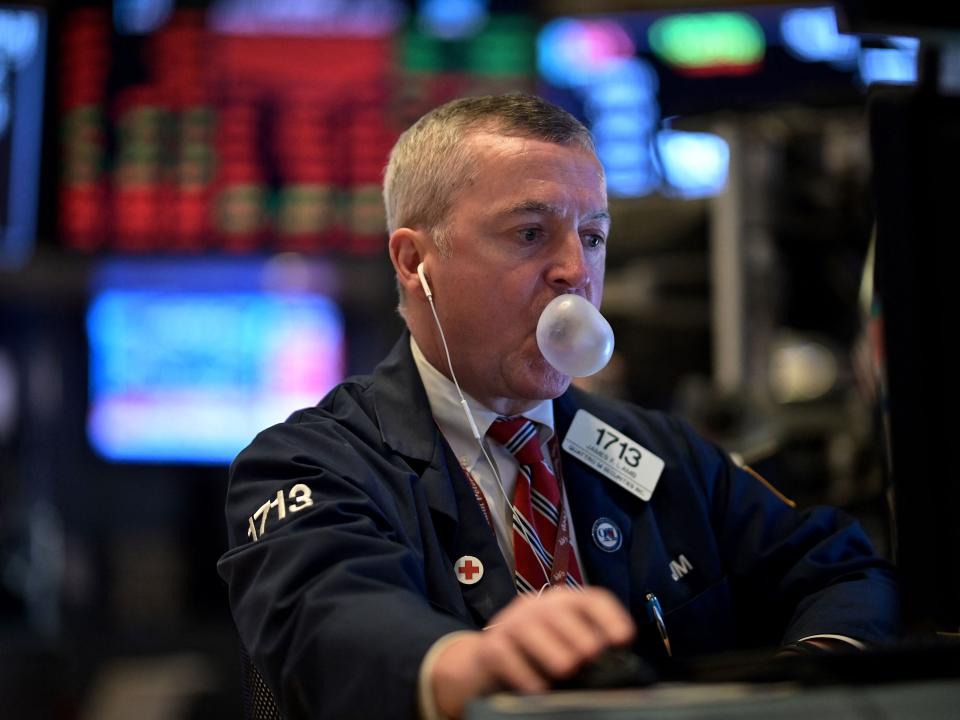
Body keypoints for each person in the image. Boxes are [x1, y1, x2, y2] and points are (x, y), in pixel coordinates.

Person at [218, 94, 898, 720]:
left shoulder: (658, 452)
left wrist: (806, 686)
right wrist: (476, 667)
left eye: (593, 236)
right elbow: (330, 618)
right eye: (530, 234)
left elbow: (840, 570)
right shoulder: (308, 464)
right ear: (414, 261)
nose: (577, 269)